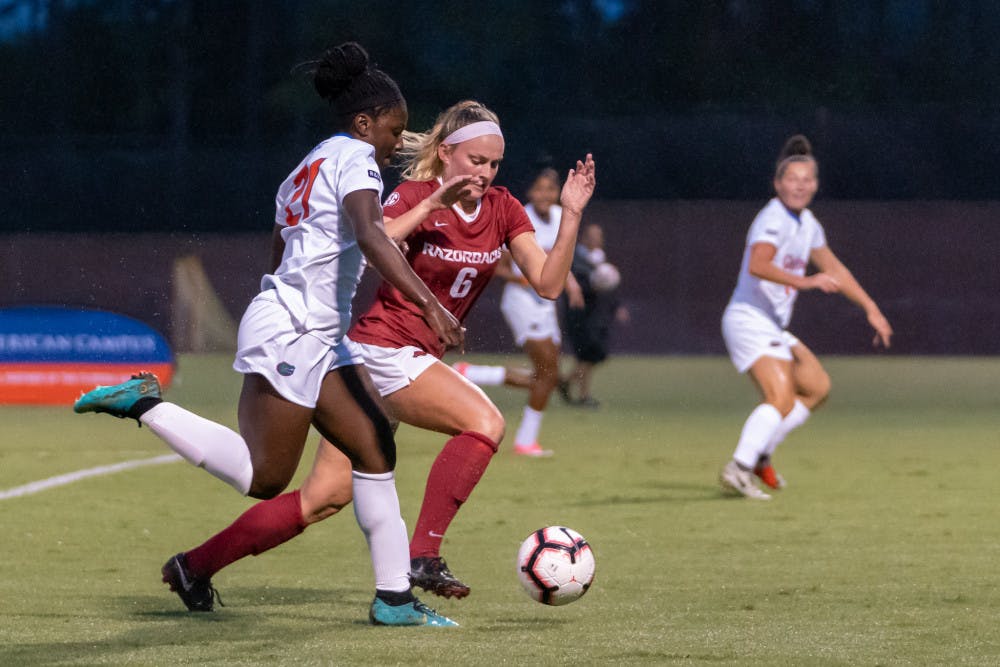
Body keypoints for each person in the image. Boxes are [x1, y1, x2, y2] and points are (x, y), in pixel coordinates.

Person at [72, 43, 466, 626]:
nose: (392, 144)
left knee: (374, 446)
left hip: (312, 330)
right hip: (297, 330)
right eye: (392, 130)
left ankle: (394, 600)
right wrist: (430, 304)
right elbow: (372, 234)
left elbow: (283, 246)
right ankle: (147, 405)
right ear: (363, 123)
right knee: (265, 476)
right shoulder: (355, 157)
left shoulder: (305, 167)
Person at [150, 100, 596, 611]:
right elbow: (372, 241)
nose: (486, 172)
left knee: (322, 499)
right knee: (485, 422)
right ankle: (424, 556)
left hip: (400, 360)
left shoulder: (503, 208)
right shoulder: (413, 194)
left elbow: (548, 283)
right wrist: (430, 208)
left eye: (493, 164)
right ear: (446, 153)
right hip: (381, 349)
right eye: (476, 160)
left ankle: (194, 566)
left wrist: (573, 214)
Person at [719, 134, 893, 500]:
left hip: (772, 324)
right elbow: (758, 263)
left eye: (806, 180)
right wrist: (805, 280)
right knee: (779, 397)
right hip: (748, 317)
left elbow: (835, 270)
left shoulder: (807, 223)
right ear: (778, 184)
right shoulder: (773, 217)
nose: (799, 186)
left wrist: (870, 308)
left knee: (816, 388)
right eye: (792, 179)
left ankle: (760, 453)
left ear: (815, 185)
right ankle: (739, 467)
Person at [455, 168, 584, 456]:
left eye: (550, 190)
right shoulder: (521, 216)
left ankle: (472, 373)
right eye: (539, 189)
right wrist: (520, 278)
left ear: (557, 193)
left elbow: (557, 260)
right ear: (530, 192)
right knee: (548, 375)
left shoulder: (558, 219)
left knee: (546, 376)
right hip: (521, 303)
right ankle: (525, 440)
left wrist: (572, 285)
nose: (545, 195)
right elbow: (498, 265)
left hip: (546, 304)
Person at [560, 222, 629, 408]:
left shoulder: (599, 258)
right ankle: (582, 395)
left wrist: (616, 306)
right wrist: (592, 284)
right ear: (584, 237)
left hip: (596, 316)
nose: (597, 239)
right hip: (579, 315)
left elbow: (608, 287)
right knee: (588, 355)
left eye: (599, 235)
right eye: (592, 235)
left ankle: (567, 382)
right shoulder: (575, 258)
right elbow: (572, 282)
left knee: (592, 356)